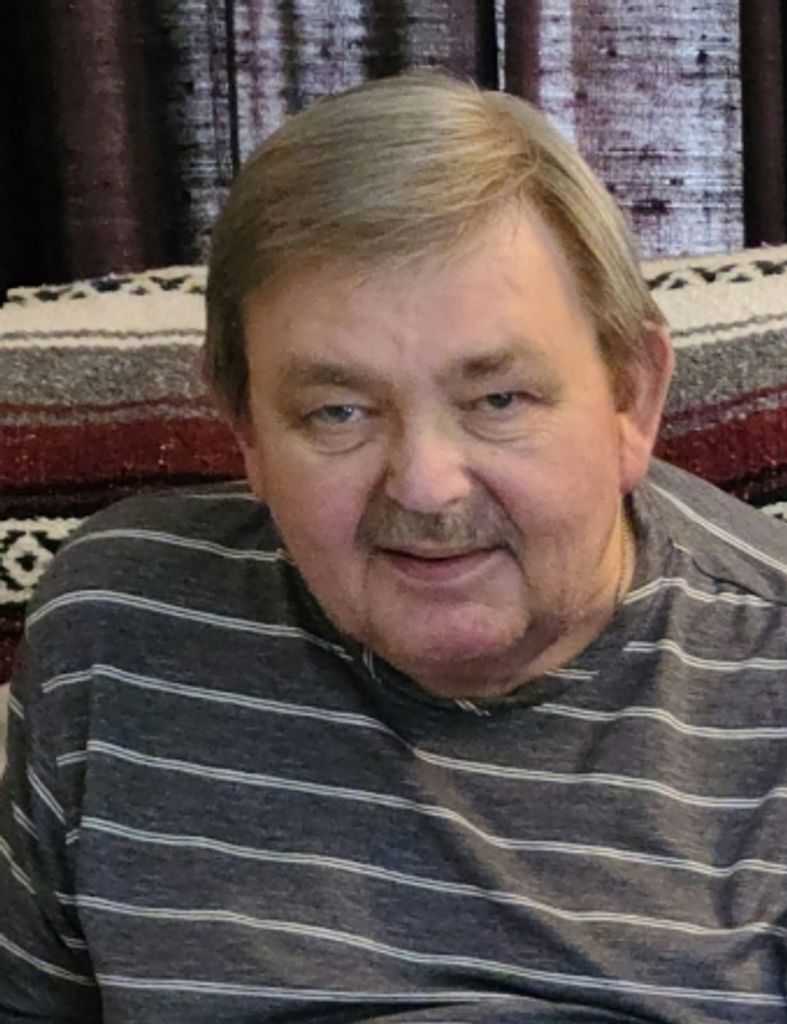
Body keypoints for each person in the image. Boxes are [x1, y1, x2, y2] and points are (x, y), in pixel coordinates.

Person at [1, 71, 785, 1024]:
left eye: (496, 399)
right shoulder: (119, 631)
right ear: (245, 428)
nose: (423, 485)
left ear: (632, 397)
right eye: (338, 411)